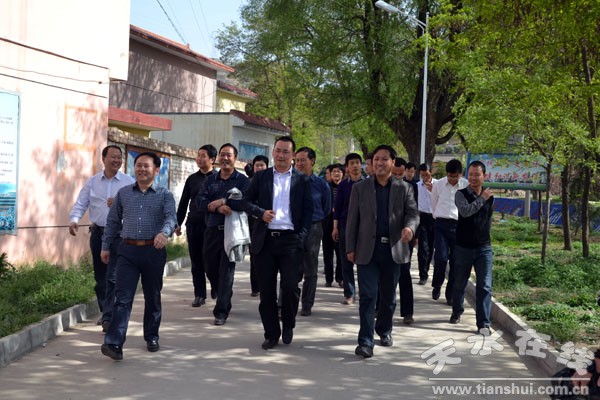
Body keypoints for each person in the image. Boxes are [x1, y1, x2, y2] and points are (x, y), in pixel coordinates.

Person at [100, 152, 177, 361]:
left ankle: (152, 336)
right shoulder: (124, 194)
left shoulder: (164, 195)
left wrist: (164, 233)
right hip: (127, 251)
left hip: (153, 251)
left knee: (153, 296)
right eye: (138, 165)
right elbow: (113, 222)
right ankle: (114, 343)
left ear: (156, 170)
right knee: (122, 298)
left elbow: (171, 218)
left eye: (146, 166)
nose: (141, 169)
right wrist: (106, 246)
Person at [346, 144, 419, 358]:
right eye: (376, 159)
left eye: (384, 159)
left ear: (393, 162)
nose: (379, 163)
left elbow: (413, 214)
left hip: (393, 249)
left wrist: (409, 228)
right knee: (368, 296)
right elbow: (352, 220)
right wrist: (350, 247)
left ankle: (384, 329)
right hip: (367, 249)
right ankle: (365, 341)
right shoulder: (360, 188)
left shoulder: (404, 188)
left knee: (388, 297)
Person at [245, 136, 312, 350]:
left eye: (286, 152)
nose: (281, 155)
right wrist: (260, 213)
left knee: (290, 287)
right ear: (273, 152)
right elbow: (245, 201)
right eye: (278, 151)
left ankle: (289, 323)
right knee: (266, 292)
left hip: (291, 241)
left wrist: (301, 236)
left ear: (292, 156)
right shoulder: (261, 177)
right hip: (265, 240)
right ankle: (271, 333)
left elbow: (309, 212)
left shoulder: (302, 180)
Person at [69, 145, 134, 332]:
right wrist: (74, 220)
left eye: (119, 157)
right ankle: (105, 312)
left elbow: (136, 206)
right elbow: (81, 203)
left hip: (119, 235)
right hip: (98, 233)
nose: (117, 160)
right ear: (103, 159)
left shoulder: (129, 182)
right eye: (113, 156)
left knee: (113, 276)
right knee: (100, 278)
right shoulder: (93, 182)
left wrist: (120, 204)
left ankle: (109, 317)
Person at [197, 143, 249, 326]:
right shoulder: (210, 179)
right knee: (209, 267)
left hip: (232, 232)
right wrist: (217, 208)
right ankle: (223, 293)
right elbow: (200, 200)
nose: (225, 158)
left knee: (227, 272)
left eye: (229, 155)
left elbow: (245, 201)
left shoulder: (242, 180)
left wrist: (223, 201)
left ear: (235, 158)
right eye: (222, 154)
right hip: (212, 230)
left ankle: (221, 311)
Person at [449, 161, 494, 332]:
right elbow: (466, 212)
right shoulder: (460, 194)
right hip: (463, 247)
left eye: (477, 174)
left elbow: (487, 219)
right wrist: (482, 199)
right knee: (459, 282)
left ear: (484, 176)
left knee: (485, 286)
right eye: (471, 174)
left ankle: (483, 323)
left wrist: (484, 198)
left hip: (484, 247)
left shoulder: (490, 196)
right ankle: (457, 311)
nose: (473, 178)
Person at [175, 144, 217, 308]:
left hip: (212, 226)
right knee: (196, 261)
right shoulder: (192, 179)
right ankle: (199, 294)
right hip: (194, 224)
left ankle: (216, 285)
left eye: (203, 156)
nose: (199, 158)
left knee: (211, 260)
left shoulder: (218, 178)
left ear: (212, 159)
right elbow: (184, 202)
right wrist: (178, 223)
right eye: (198, 155)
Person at [295, 147, 331, 316]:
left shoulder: (321, 185)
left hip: (314, 227)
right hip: (293, 227)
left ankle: (307, 304)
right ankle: (284, 303)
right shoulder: (289, 181)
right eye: (297, 160)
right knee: (290, 266)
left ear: (312, 161)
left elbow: (326, 208)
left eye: (303, 160)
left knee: (310, 266)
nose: (299, 164)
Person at [430, 159, 468, 305]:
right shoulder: (438, 184)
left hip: (459, 226)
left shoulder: (466, 185)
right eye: (450, 176)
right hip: (441, 225)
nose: (452, 179)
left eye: (455, 176)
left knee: (455, 262)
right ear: (446, 174)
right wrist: (438, 217)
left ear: (460, 174)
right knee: (441, 258)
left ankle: (450, 293)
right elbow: (434, 204)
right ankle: (437, 284)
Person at [332, 153, 364, 305]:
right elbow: (337, 208)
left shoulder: (369, 183)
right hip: (345, 225)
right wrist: (335, 228)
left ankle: (365, 292)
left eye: (357, 162)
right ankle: (349, 293)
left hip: (364, 227)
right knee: (346, 261)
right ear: (347, 167)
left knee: (364, 261)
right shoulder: (343, 185)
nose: (355, 165)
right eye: (352, 163)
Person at [248, 155, 269, 297]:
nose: (259, 168)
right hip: (251, 223)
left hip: (266, 223)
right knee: (254, 255)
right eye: (257, 165)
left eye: (262, 165)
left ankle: (264, 284)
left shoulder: (271, 182)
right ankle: (255, 287)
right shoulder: (249, 182)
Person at [322, 163, 344, 287]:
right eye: (334, 171)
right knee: (327, 253)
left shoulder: (345, 187)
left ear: (343, 173)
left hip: (341, 224)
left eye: (339, 171)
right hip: (327, 223)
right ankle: (328, 278)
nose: (336, 174)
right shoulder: (326, 187)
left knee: (340, 253)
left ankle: (340, 278)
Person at [416, 163, 437, 286]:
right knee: (423, 248)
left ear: (431, 172)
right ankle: (423, 275)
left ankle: (426, 268)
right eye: (422, 175)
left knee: (431, 247)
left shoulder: (438, 185)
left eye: (427, 174)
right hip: (422, 218)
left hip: (435, 218)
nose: (425, 177)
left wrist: (433, 190)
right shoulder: (417, 186)